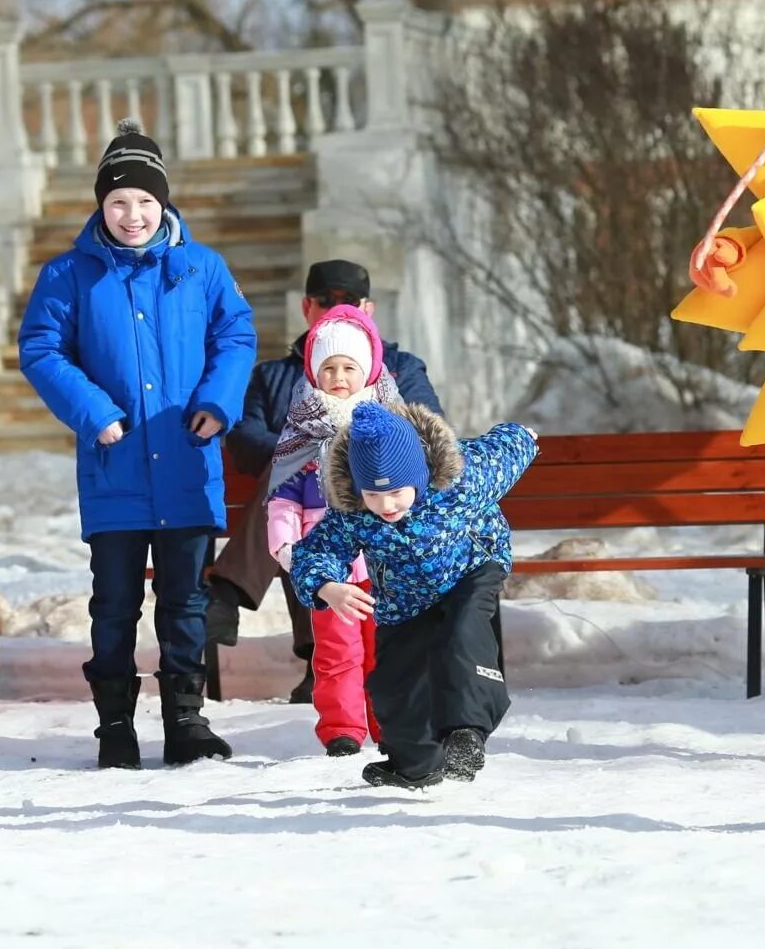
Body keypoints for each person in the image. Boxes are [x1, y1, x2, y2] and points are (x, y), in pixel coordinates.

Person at [18, 118, 258, 769]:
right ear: (101, 203)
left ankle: (187, 721)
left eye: (146, 202)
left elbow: (235, 336)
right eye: (120, 201)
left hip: (185, 458)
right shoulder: (69, 274)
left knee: (184, 600)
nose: (133, 215)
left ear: (164, 203)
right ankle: (115, 729)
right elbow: (41, 348)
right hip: (114, 462)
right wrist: (92, 409)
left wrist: (217, 401)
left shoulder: (201, 268)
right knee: (116, 601)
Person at [210, 260, 441, 702]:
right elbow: (244, 437)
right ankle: (322, 659)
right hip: (301, 506)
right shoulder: (274, 375)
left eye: (349, 301)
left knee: (299, 487)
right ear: (306, 307)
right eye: (325, 301)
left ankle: (229, 591)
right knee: (294, 496)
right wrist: (304, 455)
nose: (336, 308)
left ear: (368, 308)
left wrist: (342, 453)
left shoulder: (400, 367)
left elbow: (425, 427)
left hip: (383, 500)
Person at [289, 401, 538, 789]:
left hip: (471, 569)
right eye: (373, 494)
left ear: (420, 475)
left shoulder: (464, 478)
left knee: (460, 636)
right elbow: (318, 549)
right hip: (402, 596)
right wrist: (327, 585)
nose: (386, 506)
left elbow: (504, 451)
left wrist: (524, 435)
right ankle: (417, 763)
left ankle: (466, 734)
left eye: (396, 493)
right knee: (392, 684)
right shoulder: (354, 510)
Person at [266, 305, 404, 756]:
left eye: (349, 367)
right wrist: (289, 547)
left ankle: (391, 724)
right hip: (329, 564)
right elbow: (284, 495)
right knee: (337, 649)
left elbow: (415, 487)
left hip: (385, 559)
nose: (339, 375)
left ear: (367, 371)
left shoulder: (391, 426)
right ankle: (343, 728)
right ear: (313, 371)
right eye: (328, 367)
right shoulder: (302, 431)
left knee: (385, 647)